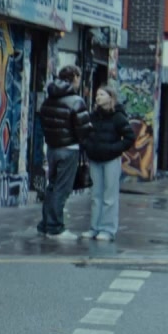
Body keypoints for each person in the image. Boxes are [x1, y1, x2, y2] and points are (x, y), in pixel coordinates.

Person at [37, 65, 94, 240]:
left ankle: (45, 224)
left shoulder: (49, 98)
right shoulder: (76, 101)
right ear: (74, 77)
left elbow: (43, 122)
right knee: (62, 189)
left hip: (52, 149)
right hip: (69, 149)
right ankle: (55, 228)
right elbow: (84, 130)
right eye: (79, 77)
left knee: (52, 186)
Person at [82, 84, 135, 241]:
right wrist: (88, 146)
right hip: (95, 159)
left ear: (110, 98)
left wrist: (114, 149)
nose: (98, 97)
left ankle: (107, 229)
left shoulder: (118, 117)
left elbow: (129, 137)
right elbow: (84, 133)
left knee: (109, 197)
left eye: (102, 94)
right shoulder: (93, 116)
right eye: (97, 95)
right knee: (95, 196)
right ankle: (94, 228)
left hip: (111, 160)